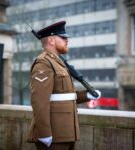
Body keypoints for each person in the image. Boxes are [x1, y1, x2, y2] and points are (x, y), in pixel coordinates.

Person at [27, 21, 101, 150]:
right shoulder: (44, 63)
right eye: (63, 37)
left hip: (66, 133)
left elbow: (62, 96)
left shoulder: (58, 62)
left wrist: (86, 95)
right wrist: (44, 133)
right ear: (51, 40)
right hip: (54, 135)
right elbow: (39, 102)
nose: (67, 40)